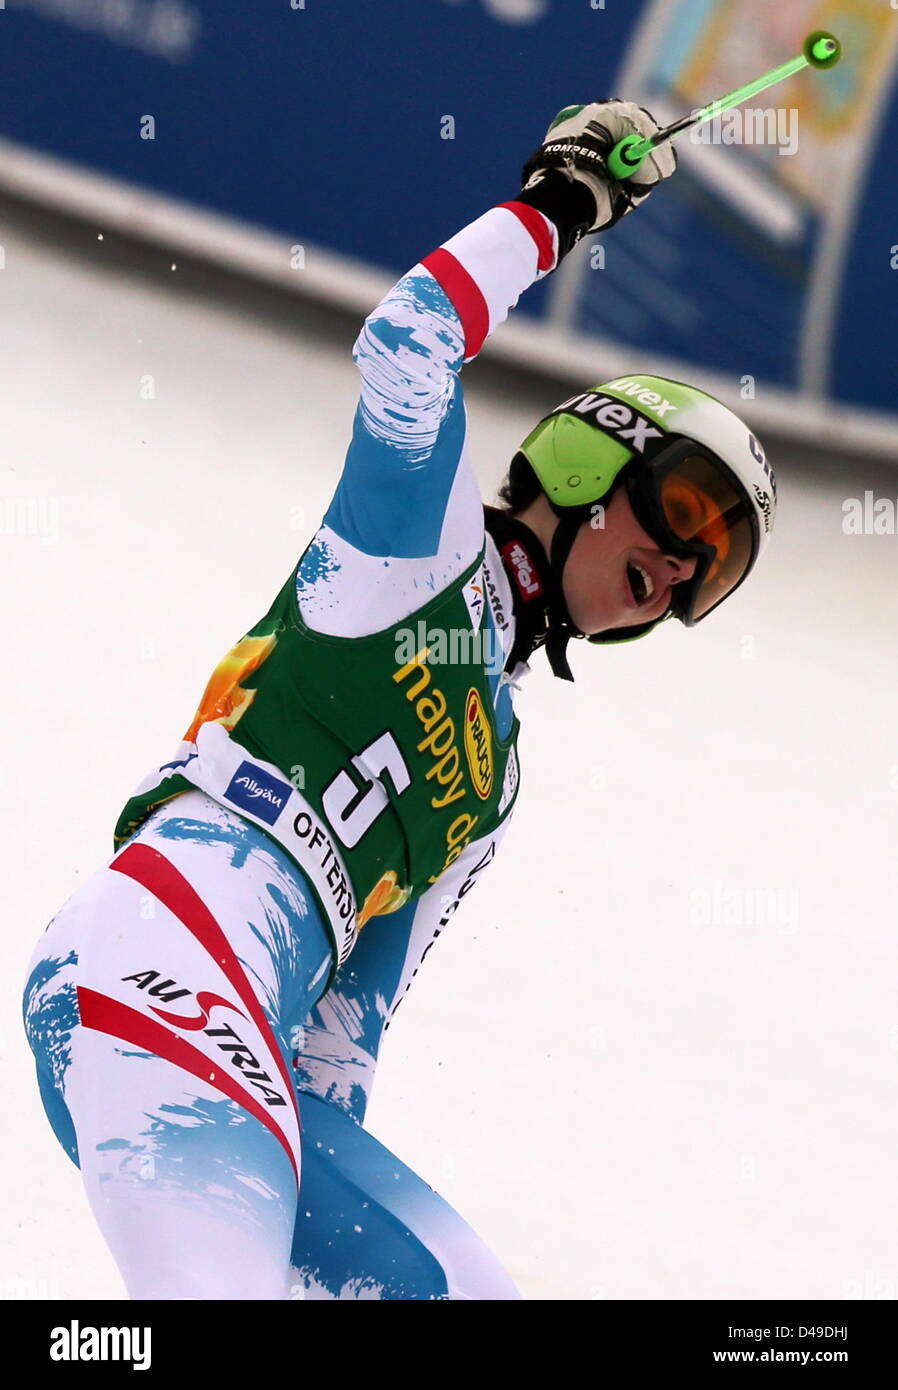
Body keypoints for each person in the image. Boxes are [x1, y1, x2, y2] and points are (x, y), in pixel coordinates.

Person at [22, 99, 775, 1300]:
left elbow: (336, 1047)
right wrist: (558, 209)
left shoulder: (495, 781)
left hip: (248, 1048)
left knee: (464, 1290)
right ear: (587, 464)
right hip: (157, 946)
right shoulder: (419, 552)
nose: (681, 568)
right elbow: (409, 338)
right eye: (682, 512)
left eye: (713, 572)